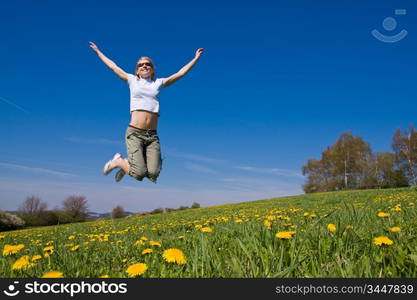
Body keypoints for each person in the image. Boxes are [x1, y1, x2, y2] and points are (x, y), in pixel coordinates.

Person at [89, 42, 204, 183]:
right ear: (137, 70)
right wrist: (98, 51)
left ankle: (127, 165)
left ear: (152, 70)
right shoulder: (132, 80)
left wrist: (196, 58)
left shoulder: (159, 83)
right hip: (135, 133)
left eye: (147, 64)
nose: (144, 66)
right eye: (140, 65)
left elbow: (180, 73)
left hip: (152, 136)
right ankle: (118, 162)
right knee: (139, 174)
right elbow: (113, 66)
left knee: (153, 174)